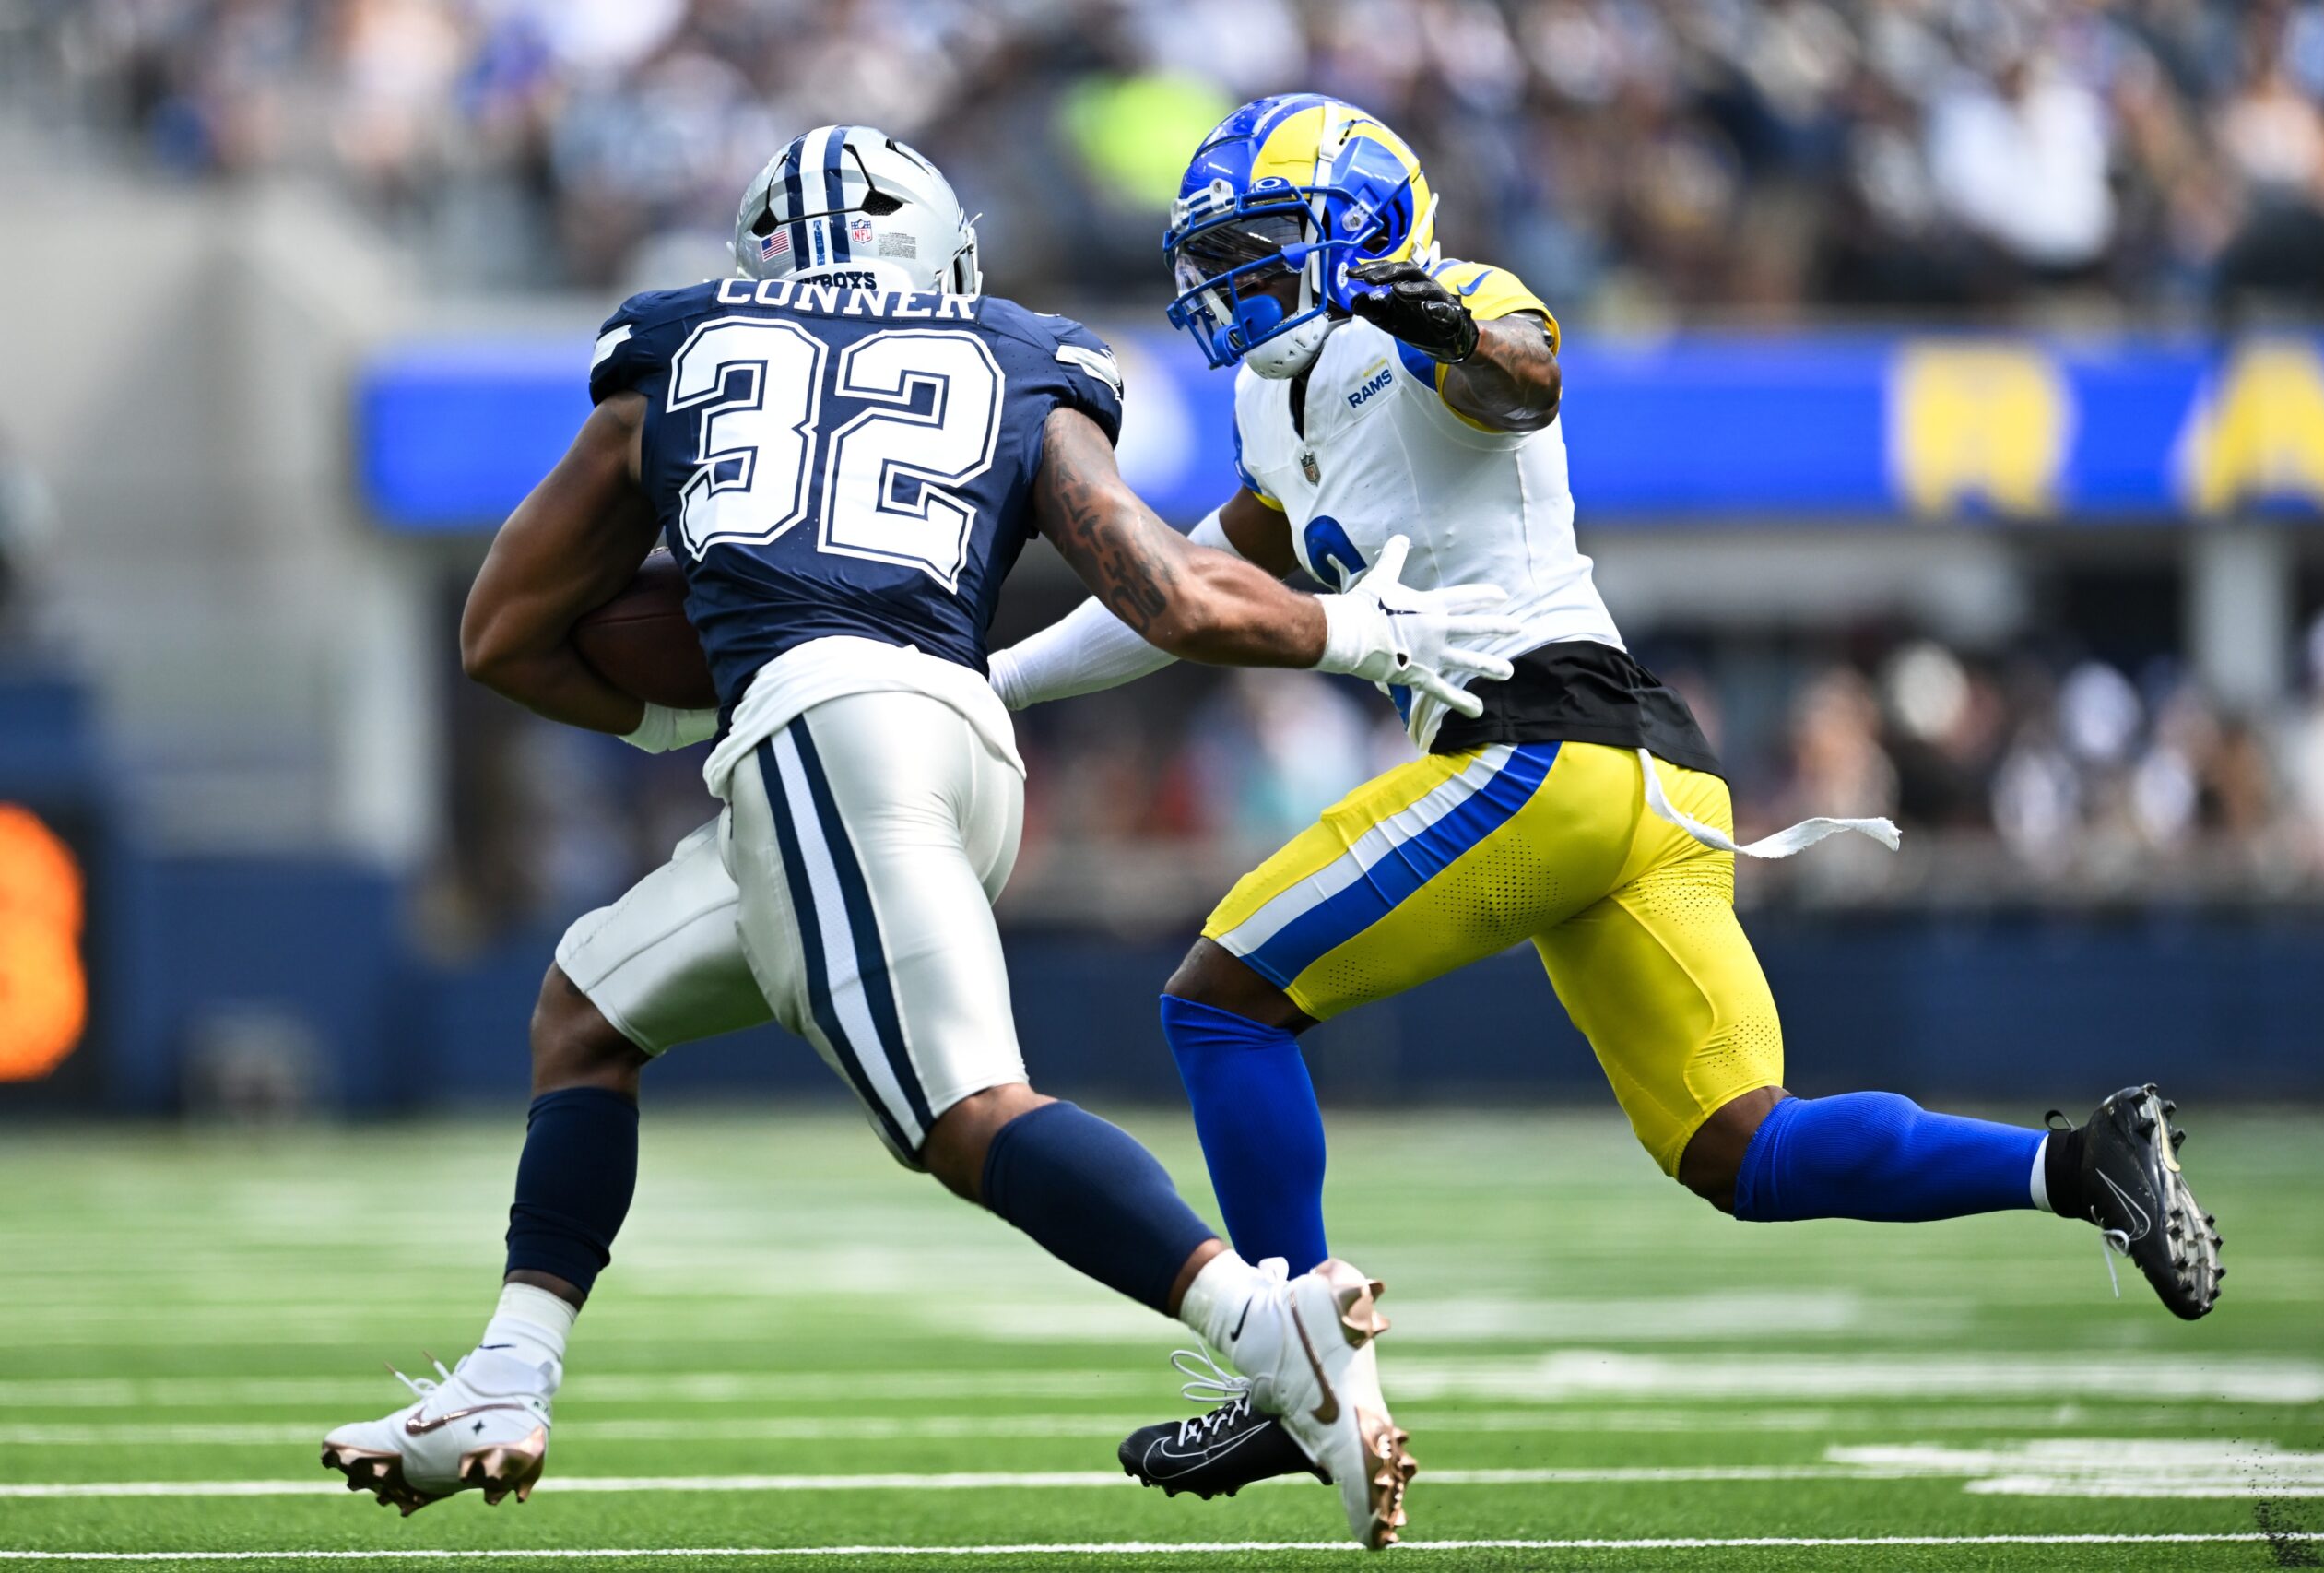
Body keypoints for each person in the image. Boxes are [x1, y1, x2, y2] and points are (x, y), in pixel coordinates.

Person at [984, 94, 2225, 1501]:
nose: (1226, 278)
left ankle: (1293, 1361)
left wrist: (1441, 322)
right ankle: (2079, 1166)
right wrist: (997, 680)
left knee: (1220, 999)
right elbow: (1181, 589)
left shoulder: (1439, 312)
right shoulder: (1279, 400)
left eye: (1261, 243)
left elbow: (1521, 372)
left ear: (1359, 233)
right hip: (1647, 772)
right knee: (1740, 1145)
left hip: (1539, 746)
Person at [321, 124, 1524, 1550]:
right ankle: (508, 1375)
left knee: (966, 1118)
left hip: (818, 732)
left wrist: (673, 714)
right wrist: (1353, 627)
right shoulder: (1019, 350)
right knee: (588, 1004)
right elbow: (1174, 593)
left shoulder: (675, 349)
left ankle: (1270, 1325)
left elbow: (502, 635)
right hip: (958, 744)